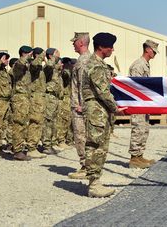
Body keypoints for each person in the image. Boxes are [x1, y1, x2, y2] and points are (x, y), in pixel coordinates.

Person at [81, 32, 126, 197]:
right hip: (96, 110)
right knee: (96, 145)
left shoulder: (101, 65)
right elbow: (103, 92)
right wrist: (116, 108)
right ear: (101, 47)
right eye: (110, 47)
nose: (112, 50)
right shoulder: (96, 66)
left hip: (100, 110)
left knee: (101, 146)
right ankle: (93, 185)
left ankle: (96, 181)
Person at [128, 40, 159, 168]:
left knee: (144, 129)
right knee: (138, 129)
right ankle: (134, 158)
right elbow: (135, 86)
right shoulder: (138, 65)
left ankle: (139, 155)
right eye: (154, 51)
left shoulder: (145, 64)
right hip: (138, 103)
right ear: (147, 49)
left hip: (144, 103)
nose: (155, 54)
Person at [68, 32, 91, 179]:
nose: (72, 44)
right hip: (83, 105)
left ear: (81, 43)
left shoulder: (83, 61)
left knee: (81, 136)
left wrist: (80, 105)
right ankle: (88, 165)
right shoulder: (87, 59)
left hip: (80, 107)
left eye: (74, 41)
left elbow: (83, 85)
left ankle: (86, 167)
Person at [11, 46, 35, 161]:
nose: (31, 56)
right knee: (18, 124)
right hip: (19, 98)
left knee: (23, 125)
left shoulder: (27, 66)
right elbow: (20, 64)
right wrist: (25, 57)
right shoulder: (18, 64)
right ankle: (17, 150)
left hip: (25, 98)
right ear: (24, 53)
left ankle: (20, 148)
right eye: (30, 53)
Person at [27, 48, 47, 158]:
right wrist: (40, 56)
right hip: (35, 97)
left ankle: (34, 145)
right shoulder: (32, 64)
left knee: (39, 122)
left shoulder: (40, 67)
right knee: (35, 121)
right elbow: (34, 65)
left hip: (41, 97)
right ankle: (31, 147)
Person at [42, 48, 62, 154]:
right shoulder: (48, 67)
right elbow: (49, 66)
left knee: (54, 121)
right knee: (48, 121)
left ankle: (51, 142)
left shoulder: (55, 68)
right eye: (56, 53)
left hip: (55, 97)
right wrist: (53, 58)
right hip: (49, 97)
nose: (59, 55)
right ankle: (46, 145)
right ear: (51, 56)